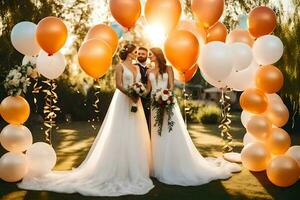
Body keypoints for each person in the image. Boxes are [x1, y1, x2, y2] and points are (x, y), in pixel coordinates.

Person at [17, 44, 154, 197]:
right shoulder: (120, 67)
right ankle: (119, 168)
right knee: (122, 131)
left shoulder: (136, 68)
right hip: (124, 100)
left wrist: (139, 92)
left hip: (137, 103)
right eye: (134, 52)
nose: (136, 54)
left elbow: (141, 84)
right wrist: (130, 93)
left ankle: (135, 168)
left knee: (136, 133)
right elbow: (118, 85)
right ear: (128, 53)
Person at [147, 47, 240, 186]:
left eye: (151, 54)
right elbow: (149, 90)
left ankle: (173, 164)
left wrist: (165, 98)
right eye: (149, 55)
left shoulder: (168, 69)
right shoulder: (149, 71)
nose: (149, 56)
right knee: (157, 134)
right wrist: (137, 90)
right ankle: (158, 166)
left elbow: (171, 87)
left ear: (157, 55)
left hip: (167, 102)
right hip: (154, 105)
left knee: (170, 132)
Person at [135, 47, 151, 132]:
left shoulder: (150, 69)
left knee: (147, 124)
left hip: (148, 100)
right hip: (136, 99)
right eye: (139, 53)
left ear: (147, 56)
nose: (140, 55)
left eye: (143, 54)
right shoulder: (133, 67)